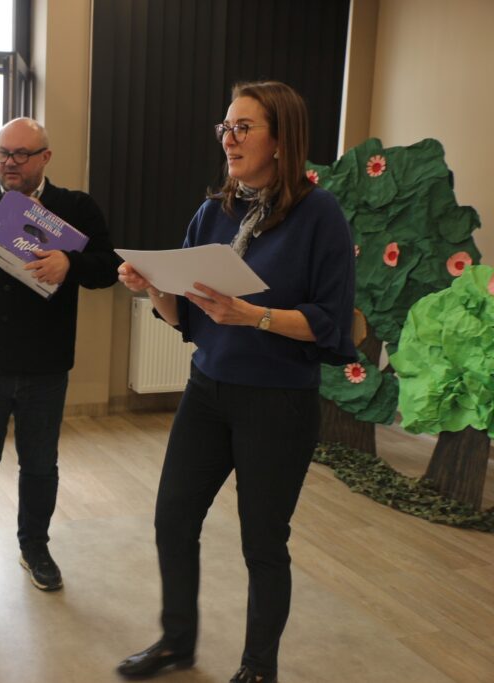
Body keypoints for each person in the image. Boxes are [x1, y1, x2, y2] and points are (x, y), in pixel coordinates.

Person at [115, 82, 356, 683]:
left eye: (244, 127)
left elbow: (331, 323)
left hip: (278, 402)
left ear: (281, 140)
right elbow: (186, 318)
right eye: (226, 127)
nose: (230, 138)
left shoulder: (320, 215)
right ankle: (177, 642)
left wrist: (254, 316)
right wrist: (154, 287)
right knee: (173, 519)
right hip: (208, 389)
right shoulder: (215, 212)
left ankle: (258, 667)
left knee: (263, 543)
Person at [0, 117, 120, 604]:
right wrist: (12, 206)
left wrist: (70, 263)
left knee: (40, 466)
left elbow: (108, 267)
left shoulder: (74, 208)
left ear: (45, 157)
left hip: (45, 367)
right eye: (2, 153)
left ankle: (35, 548)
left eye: (21, 154)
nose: (9, 163)